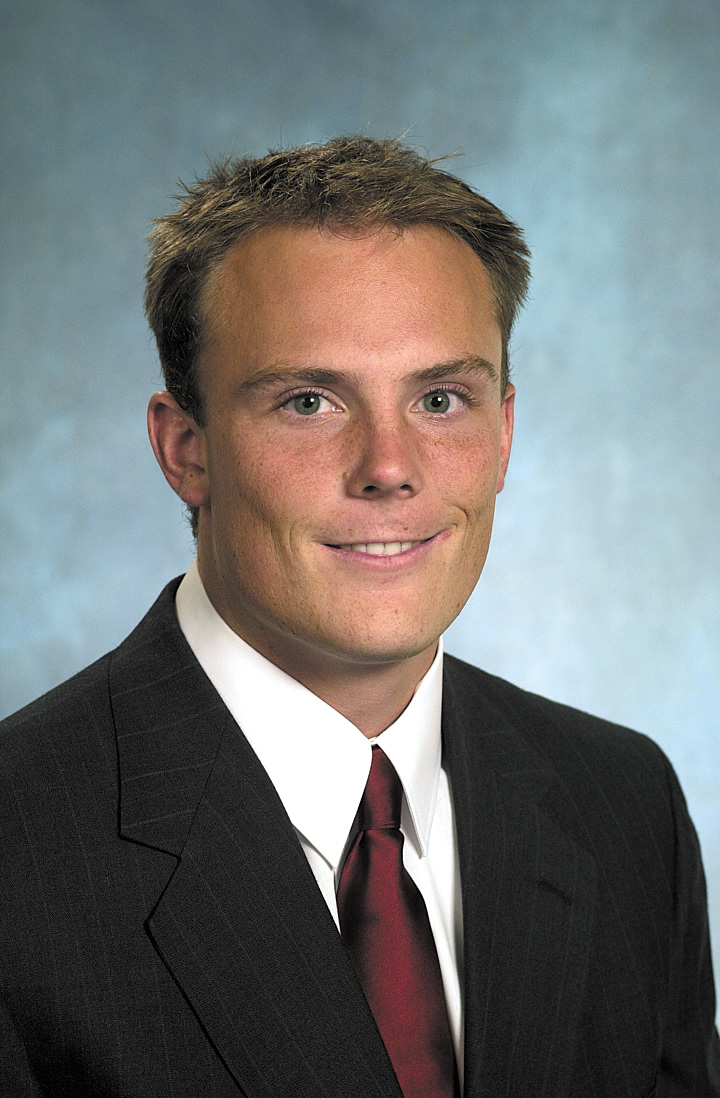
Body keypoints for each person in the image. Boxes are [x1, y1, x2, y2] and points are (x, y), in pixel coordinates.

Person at [1, 136, 718, 1097]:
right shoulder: (20, 850)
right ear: (185, 450)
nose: (389, 466)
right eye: (309, 402)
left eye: (440, 398)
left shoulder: (625, 805)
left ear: (504, 433)